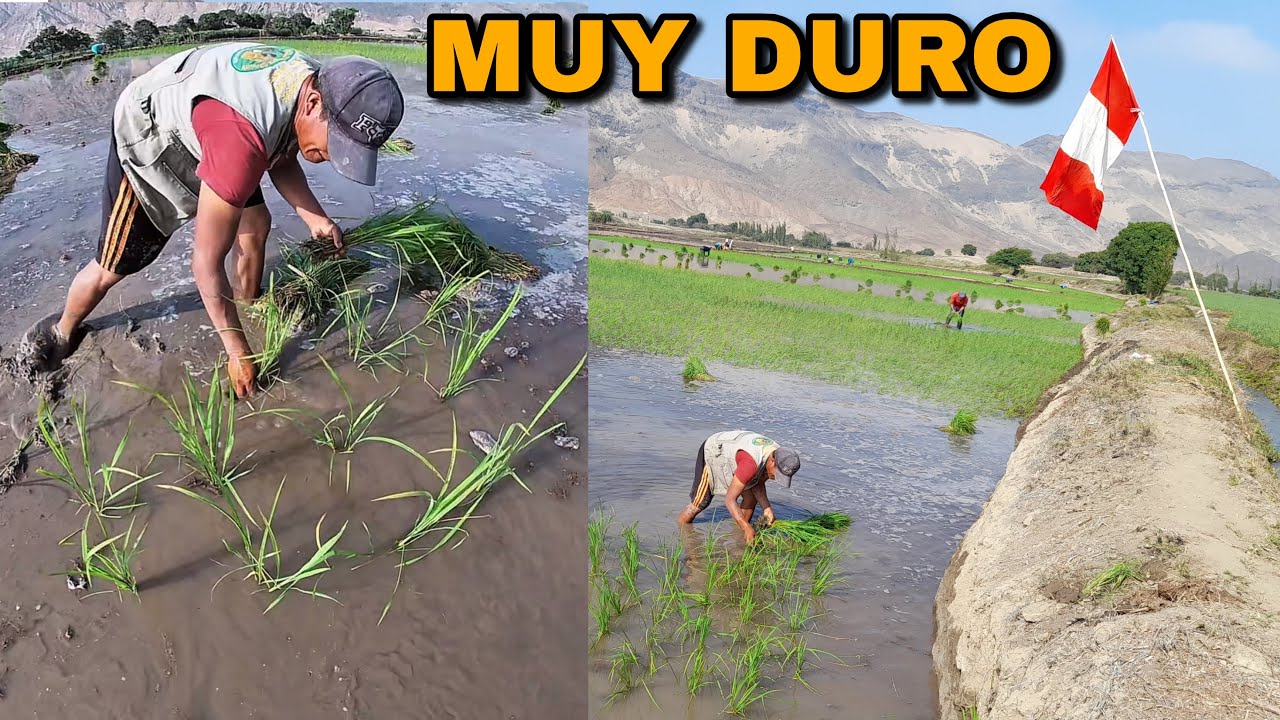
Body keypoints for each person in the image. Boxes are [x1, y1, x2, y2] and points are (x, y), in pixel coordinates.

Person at [25, 42, 404, 399]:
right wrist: (237, 351)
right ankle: (62, 331)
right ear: (314, 102)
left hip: (216, 123)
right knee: (119, 260)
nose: (331, 158)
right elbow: (205, 263)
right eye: (336, 144)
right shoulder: (240, 138)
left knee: (256, 223)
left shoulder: (316, 86)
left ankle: (247, 301)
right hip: (153, 125)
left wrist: (316, 219)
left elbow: (282, 153)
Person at [678, 430, 801, 544]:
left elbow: (757, 485)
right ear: (772, 462)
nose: (775, 477)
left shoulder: (781, 456)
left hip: (740, 455)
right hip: (715, 450)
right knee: (700, 502)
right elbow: (729, 500)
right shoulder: (751, 464)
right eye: (777, 473)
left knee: (751, 499)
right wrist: (747, 527)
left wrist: (767, 508)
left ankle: (738, 539)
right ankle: (681, 534)